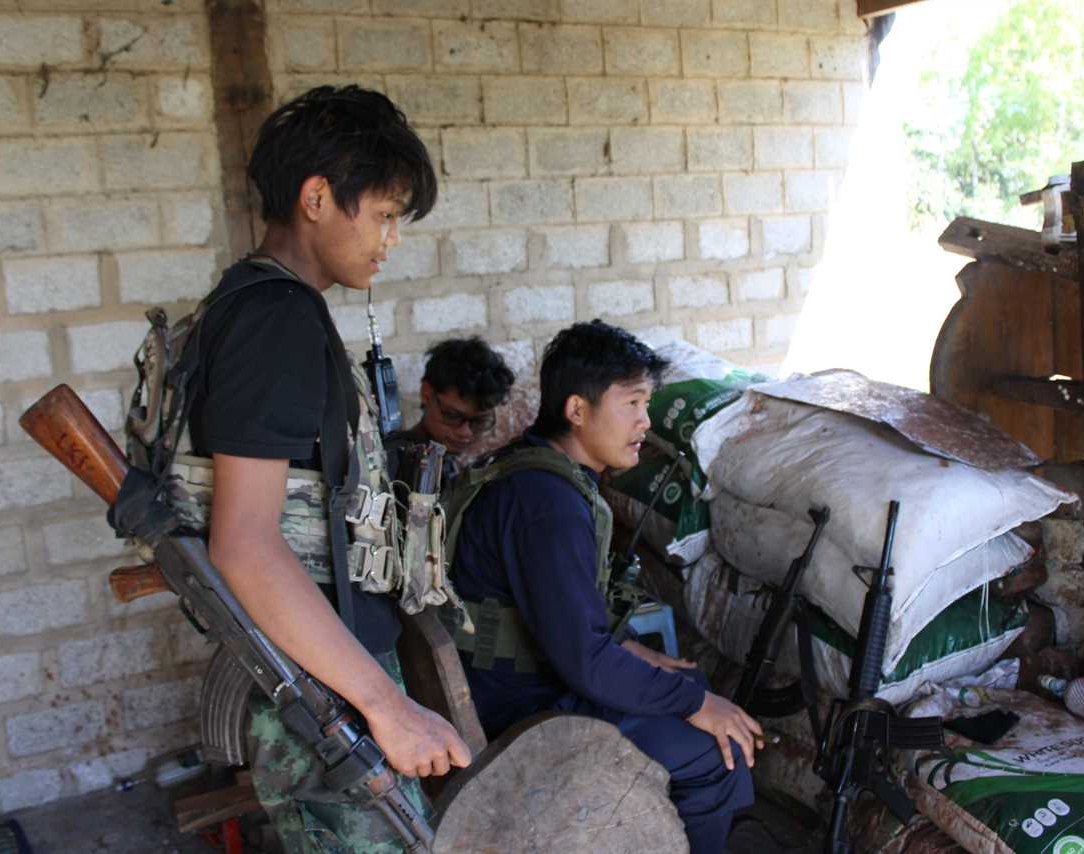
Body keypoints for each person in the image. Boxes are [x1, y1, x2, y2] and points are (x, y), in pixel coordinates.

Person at [185, 85, 470, 853]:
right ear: (317, 198)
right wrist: (386, 705)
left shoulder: (270, 308)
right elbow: (243, 542)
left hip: (322, 659)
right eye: (382, 214)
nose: (390, 239)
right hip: (316, 681)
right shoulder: (272, 320)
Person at [445, 320, 762, 853]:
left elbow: (557, 619)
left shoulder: (532, 470)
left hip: (513, 682)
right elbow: (585, 664)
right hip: (522, 713)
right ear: (577, 410)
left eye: (646, 404)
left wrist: (640, 656)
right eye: (632, 404)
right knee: (716, 754)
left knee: (691, 682)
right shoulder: (546, 505)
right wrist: (690, 704)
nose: (645, 420)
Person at [389, 337, 515, 479]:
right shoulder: (396, 461)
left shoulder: (445, 460)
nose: (465, 433)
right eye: (452, 416)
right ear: (427, 393)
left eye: (480, 421)